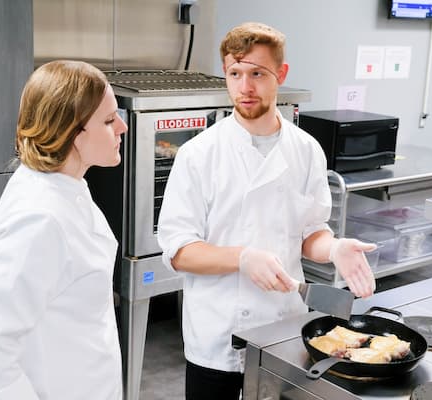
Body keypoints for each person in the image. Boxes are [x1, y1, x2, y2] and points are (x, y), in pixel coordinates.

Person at [157, 22, 377, 400]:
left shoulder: (305, 149)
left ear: (281, 75)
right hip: (218, 333)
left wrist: (334, 248)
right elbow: (179, 251)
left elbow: (310, 231)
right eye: (235, 73)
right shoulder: (199, 154)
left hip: (282, 325)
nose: (245, 87)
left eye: (257, 73)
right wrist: (242, 258)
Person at [0, 60, 127, 400]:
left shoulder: (64, 185)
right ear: (71, 133)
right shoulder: (42, 219)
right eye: (108, 120)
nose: (122, 127)